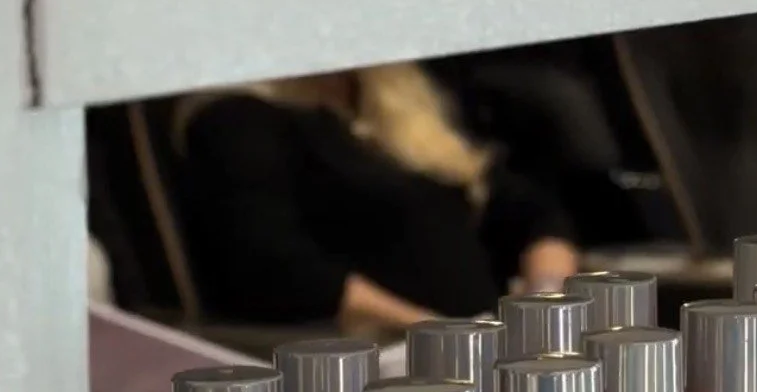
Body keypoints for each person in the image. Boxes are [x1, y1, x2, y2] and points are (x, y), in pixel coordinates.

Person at [175, 65, 579, 330]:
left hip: (482, 342)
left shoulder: (394, 98)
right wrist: (435, 331)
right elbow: (276, 265)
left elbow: (529, 211)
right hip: (376, 361)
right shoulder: (239, 117)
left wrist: (544, 298)